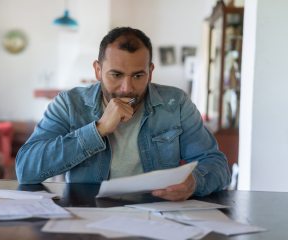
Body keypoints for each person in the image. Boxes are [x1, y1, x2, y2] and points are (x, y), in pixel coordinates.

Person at [16, 27, 231, 201]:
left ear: (151, 71)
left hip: (158, 216)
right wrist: (98, 130)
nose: (126, 88)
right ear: (98, 70)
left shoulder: (176, 103)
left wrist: (194, 183)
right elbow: (26, 169)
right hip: (89, 215)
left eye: (138, 75)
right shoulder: (69, 104)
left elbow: (216, 164)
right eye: (116, 75)